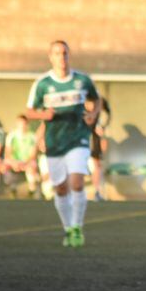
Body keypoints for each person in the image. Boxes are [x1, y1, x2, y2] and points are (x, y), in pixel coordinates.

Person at [25, 40, 100, 247]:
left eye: (65, 53)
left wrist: (93, 114)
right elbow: (29, 111)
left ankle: (77, 227)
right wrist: (43, 114)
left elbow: (97, 100)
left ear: (69, 55)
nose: (62, 57)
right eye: (57, 53)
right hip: (55, 141)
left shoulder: (82, 80)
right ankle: (68, 228)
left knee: (76, 182)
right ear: (51, 57)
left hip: (78, 138)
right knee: (60, 188)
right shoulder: (42, 84)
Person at [3, 114, 40, 198]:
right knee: (5, 166)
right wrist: (15, 163)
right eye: (20, 123)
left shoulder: (32, 136)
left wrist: (25, 163)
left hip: (27, 161)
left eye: (23, 123)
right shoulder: (11, 136)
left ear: (27, 124)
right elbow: (8, 153)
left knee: (32, 167)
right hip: (14, 161)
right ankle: (12, 188)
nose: (22, 126)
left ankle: (32, 191)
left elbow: (33, 154)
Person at [84, 95, 110, 201]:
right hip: (84, 146)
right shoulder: (84, 114)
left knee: (96, 167)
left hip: (93, 146)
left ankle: (97, 191)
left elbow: (100, 132)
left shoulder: (101, 115)